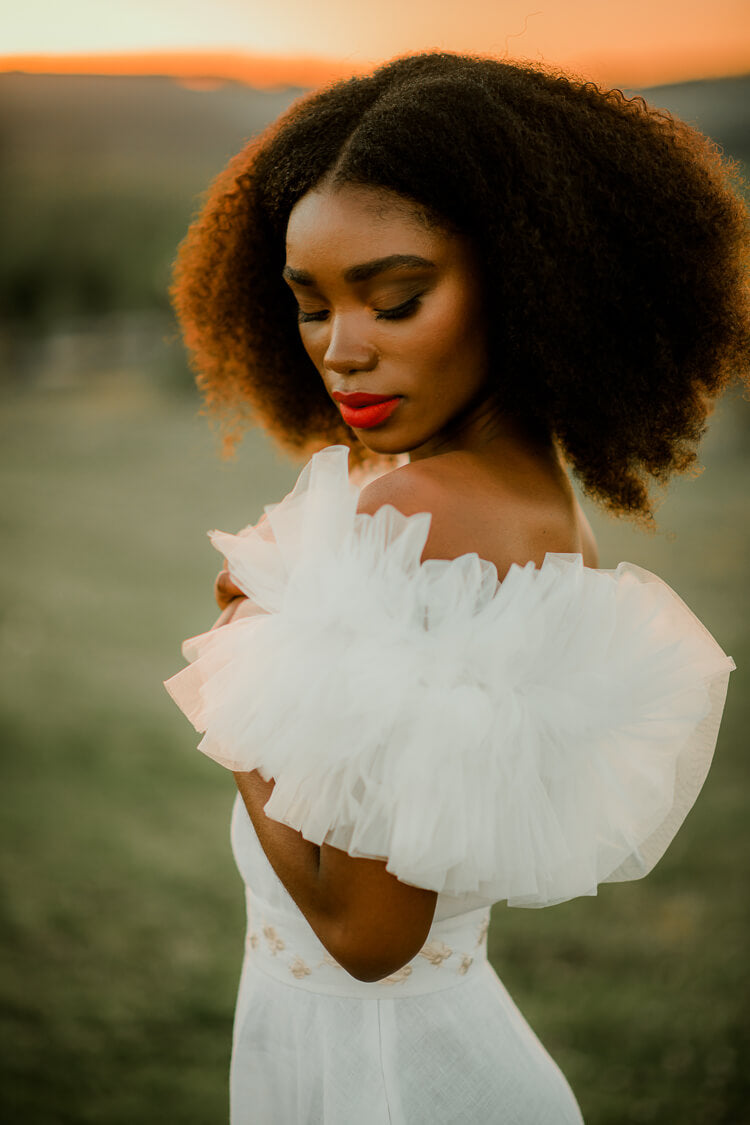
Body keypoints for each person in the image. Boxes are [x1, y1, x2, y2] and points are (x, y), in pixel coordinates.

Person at [164, 52, 748, 1124]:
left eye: (397, 299)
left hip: (386, 1083)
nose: (342, 351)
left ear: (527, 281)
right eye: (308, 306)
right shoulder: (529, 494)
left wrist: (236, 673)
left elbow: (370, 936)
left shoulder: (420, 518)